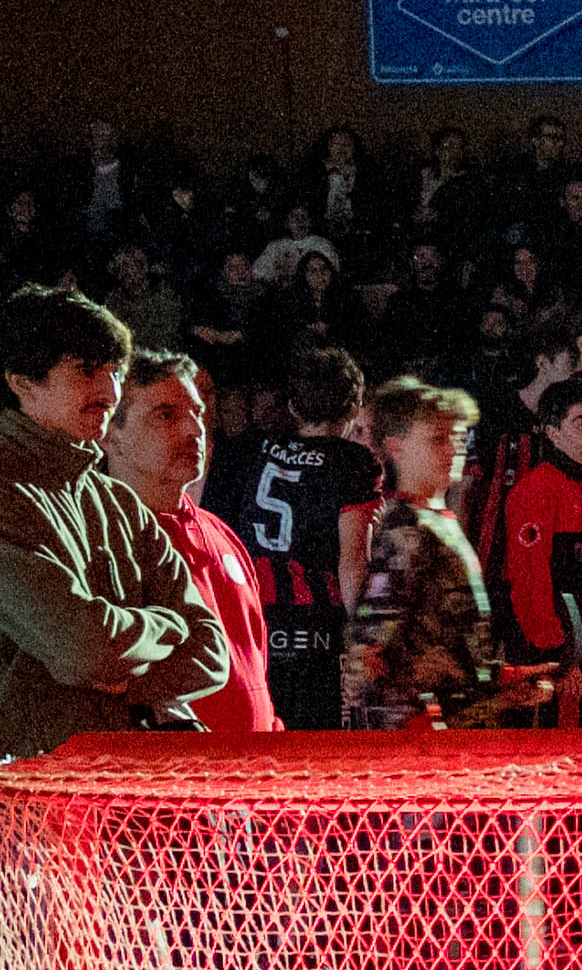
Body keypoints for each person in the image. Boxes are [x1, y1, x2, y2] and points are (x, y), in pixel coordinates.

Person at [0, 286, 227, 759]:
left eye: (114, 372)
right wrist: (167, 628)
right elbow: (84, 645)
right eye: (86, 370)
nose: (108, 391)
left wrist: (116, 665)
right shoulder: (8, 493)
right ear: (21, 380)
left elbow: (212, 654)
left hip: (122, 801)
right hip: (27, 802)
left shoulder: (117, 502)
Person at [346, 382, 548, 731]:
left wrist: (501, 680)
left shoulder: (435, 521)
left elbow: (451, 640)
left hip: (453, 730)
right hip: (423, 742)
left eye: (455, 438)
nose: (452, 450)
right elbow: (369, 650)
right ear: (397, 447)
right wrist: (409, 722)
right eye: (437, 439)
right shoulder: (406, 529)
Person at [206, 342, 382, 731]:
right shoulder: (352, 463)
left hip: (257, 627)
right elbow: (352, 561)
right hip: (319, 632)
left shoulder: (250, 450)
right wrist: (366, 639)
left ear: (294, 406)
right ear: (353, 408)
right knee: (320, 756)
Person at [108, 353, 269, 735]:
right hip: (172, 781)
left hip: (256, 774)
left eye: (196, 413)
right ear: (110, 431)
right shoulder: (102, 540)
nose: (193, 430)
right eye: (166, 415)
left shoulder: (221, 533)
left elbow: (256, 667)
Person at [497, 377, 582, 728]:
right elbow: (529, 581)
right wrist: (557, 658)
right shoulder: (536, 491)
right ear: (553, 433)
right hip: (562, 655)